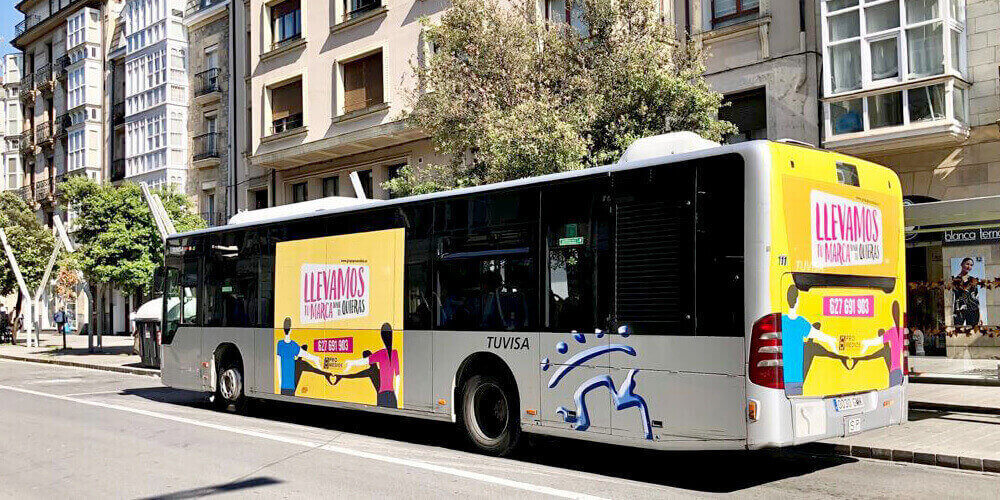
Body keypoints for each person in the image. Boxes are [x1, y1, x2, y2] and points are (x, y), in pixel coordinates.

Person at [341, 323, 400, 408]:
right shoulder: (395, 353)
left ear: (382, 336)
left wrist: (351, 362)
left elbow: (364, 361)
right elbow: (398, 376)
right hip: (392, 394)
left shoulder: (380, 354)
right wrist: (396, 396)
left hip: (382, 394)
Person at [275, 317, 332, 396]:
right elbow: (307, 355)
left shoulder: (279, 344)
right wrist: (316, 358)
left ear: (283, 329)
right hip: (291, 385)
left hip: (283, 385)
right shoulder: (293, 346)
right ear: (291, 329)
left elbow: (278, 363)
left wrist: (280, 382)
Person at [952, 257, 981, 327]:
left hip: (973, 310)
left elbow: (976, 297)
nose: (969, 267)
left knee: (972, 333)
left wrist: (980, 315)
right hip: (959, 310)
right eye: (967, 264)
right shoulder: (955, 280)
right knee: (957, 331)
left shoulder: (973, 280)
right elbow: (952, 297)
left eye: (971, 265)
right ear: (962, 264)